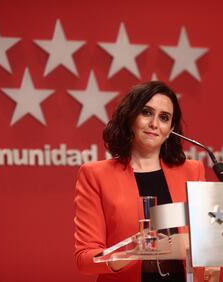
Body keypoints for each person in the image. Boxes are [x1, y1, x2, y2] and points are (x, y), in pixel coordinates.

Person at [74, 81, 205, 282]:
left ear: (170, 129)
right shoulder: (95, 175)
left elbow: (206, 239)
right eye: (146, 112)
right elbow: (85, 259)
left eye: (164, 118)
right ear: (130, 118)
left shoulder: (192, 171)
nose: (154, 124)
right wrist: (132, 253)